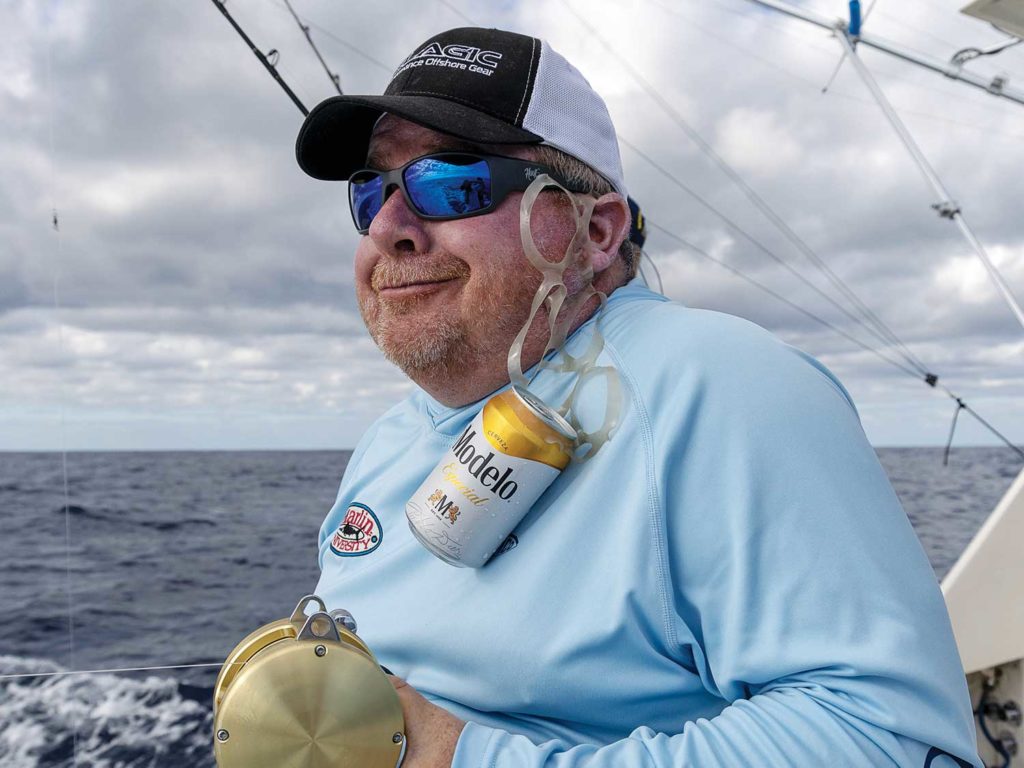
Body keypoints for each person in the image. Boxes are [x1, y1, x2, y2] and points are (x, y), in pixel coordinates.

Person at [295, 26, 981, 768]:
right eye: (372, 192)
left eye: (450, 182)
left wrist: (458, 758)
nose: (392, 226)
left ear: (596, 230)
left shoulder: (721, 382)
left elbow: (888, 736)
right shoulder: (387, 439)